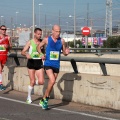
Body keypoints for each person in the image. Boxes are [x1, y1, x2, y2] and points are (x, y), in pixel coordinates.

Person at [37, 25, 70, 109]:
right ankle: (46, 100)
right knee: (52, 80)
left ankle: (43, 99)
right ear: (52, 31)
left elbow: (64, 52)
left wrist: (66, 52)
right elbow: (38, 47)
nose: (58, 33)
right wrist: (41, 54)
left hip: (56, 64)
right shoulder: (47, 39)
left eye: (59, 31)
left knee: (52, 83)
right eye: (56, 31)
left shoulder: (62, 41)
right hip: (48, 63)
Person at [21, 28, 45, 104]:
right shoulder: (30, 42)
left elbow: (42, 52)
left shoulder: (42, 42)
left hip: (39, 63)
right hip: (31, 63)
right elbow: (22, 52)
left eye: (40, 34)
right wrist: (26, 54)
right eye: (38, 34)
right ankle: (28, 97)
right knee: (32, 81)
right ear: (34, 34)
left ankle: (32, 84)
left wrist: (43, 56)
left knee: (41, 81)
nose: (40, 35)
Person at [0, 25, 12, 90]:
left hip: (4, 55)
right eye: (2, 29)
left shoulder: (8, 37)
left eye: (5, 29)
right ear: (0, 30)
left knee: (1, 70)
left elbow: (11, 46)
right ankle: (1, 84)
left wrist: (8, 47)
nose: (4, 30)